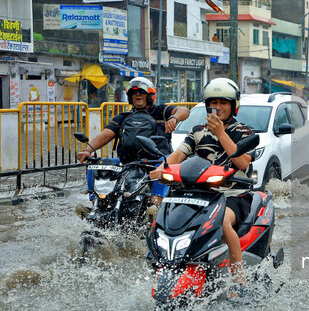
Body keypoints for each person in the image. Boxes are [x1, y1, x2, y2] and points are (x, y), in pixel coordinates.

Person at [149, 78, 255, 287]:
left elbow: (242, 163)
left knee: (222, 222)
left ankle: (238, 278)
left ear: (233, 106)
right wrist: (160, 169)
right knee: (162, 219)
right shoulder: (197, 130)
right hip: (197, 195)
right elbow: (179, 155)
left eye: (223, 102)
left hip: (232, 195)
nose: (218, 107)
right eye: (213, 102)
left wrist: (221, 133)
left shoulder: (244, 131)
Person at [76, 77, 190, 215]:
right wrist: (88, 150)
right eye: (134, 93)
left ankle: (154, 207)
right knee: (96, 166)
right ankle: (97, 206)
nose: (138, 95)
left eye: (141, 92)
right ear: (129, 97)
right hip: (127, 162)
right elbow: (105, 135)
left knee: (165, 166)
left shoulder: (161, 111)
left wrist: (174, 118)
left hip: (157, 159)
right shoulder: (123, 117)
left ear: (150, 94)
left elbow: (184, 110)